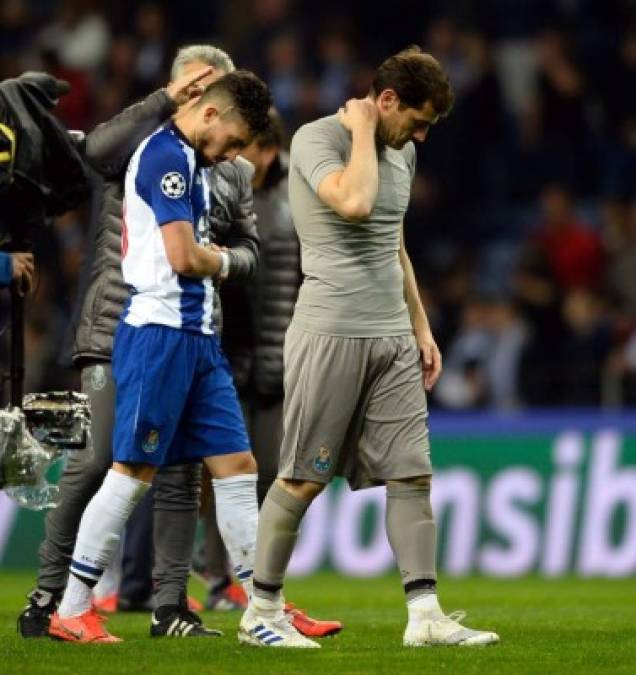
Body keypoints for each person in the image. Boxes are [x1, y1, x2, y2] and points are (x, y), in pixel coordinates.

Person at [239, 46, 500, 648]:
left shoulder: (402, 151)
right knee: (303, 476)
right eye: (418, 120)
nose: (422, 136)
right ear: (386, 101)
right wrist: (361, 132)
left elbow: (393, 241)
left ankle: (426, 615)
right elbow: (354, 203)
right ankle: (261, 612)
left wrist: (421, 325)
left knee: (412, 474)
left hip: (391, 335)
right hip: (331, 330)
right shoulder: (316, 140)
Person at [17, 45, 258, 641]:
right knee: (100, 462)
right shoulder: (137, 145)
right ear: (179, 93)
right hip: (115, 326)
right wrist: (159, 104)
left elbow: (249, 246)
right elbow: (89, 150)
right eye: (187, 91)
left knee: (178, 474)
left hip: (191, 328)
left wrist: (224, 262)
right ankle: (53, 595)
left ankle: (170, 604)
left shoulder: (225, 166)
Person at [202, 109, 342, 637]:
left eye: (247, 149)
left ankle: (258, 584)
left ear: (269, 149)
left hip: (286, 358)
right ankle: (220, 581)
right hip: (231, 353)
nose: (239, 158)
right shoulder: (223, 188)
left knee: (270, 476)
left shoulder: (300, 188)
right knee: (224, 477)